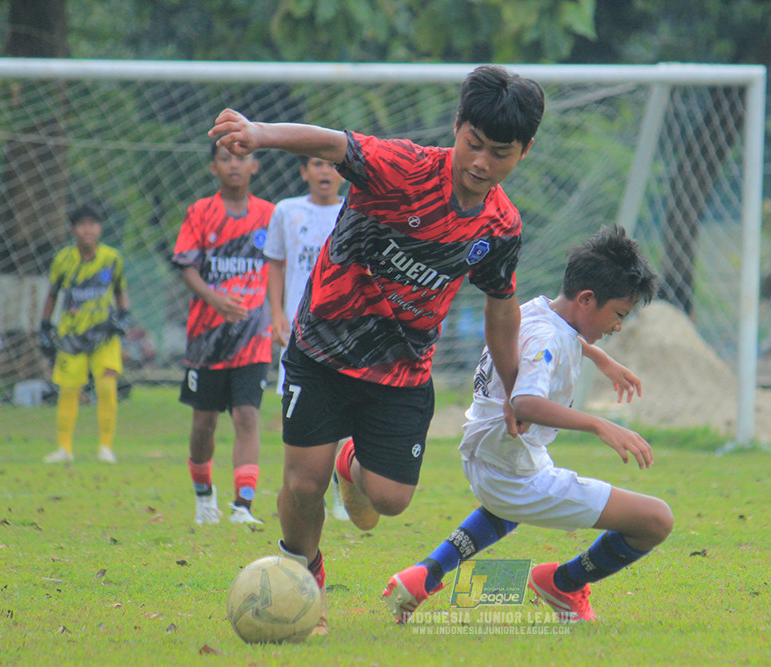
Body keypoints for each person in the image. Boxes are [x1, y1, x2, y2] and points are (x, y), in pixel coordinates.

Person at [209, 64, 545, 634]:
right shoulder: (405, 168)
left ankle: (351, 463)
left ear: (524, 152)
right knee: (301, 483)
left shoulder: (502, 226)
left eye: (500, 153)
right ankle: (303, 585)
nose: (481, 163)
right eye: (474, 144)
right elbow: (333, 143)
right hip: (321, 350)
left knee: (388, 501)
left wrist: (516, 393)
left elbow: (501, 311)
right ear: (458, 126)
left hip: (402, 371)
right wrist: (261, 132)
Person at [382, 225, 674, 624]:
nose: (619, 326)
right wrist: (601, 426)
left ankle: (425, 575)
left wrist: (599, 357)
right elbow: (524, 402)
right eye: (619, 314)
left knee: (507, 505)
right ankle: (563, 584)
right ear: (587, 299)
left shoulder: (539, 309)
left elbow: (553, 337)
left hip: (497, 459)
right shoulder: (546, 341)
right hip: (512, 474)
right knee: (656, 520)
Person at [171, 142, 274, 526]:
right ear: (214, 167)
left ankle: (242, 506)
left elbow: (276, 268)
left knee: (248, 416)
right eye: (226, 158)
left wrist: (276, 314)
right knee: (204, 422)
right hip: (207, 340)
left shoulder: (269, 215)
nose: (235, 164)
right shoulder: (200, 212)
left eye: (242, 157)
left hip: (254, 339)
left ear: (255, 165)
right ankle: (203, 497)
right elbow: (187, 267)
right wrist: (216, 300)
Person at [264, 155, 350, 522]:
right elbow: (276, 263)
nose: (325, 171)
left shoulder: (357, 211)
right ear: (303, 172)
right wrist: (277, 313)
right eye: (317, 164)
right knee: (301, 416)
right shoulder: (286, 212)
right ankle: (299, 492)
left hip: (345, 331)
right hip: (301, 332)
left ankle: (343, 494)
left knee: (347, 413)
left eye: (332, 165)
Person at [39, 203, 130, 464]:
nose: (87, 229)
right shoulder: (63, 259)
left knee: (105, 386)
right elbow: (53, 293)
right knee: (68, 390)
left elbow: (120, 290)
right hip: (71, 334)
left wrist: (125, 315)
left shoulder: (112, 258)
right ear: (73, 230)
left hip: (104, 334)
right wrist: (45, 325)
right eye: (81, 224)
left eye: (92, 224)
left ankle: (105, 448)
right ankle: (64, 448)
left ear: (100, 228)